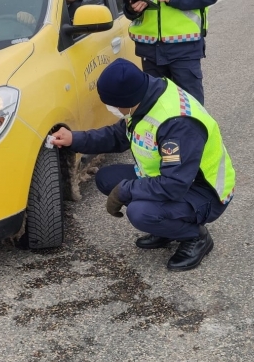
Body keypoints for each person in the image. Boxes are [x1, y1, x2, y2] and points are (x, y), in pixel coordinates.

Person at [50, 58, 235, 272]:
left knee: (140, 212)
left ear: (126, 101)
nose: (110, 109)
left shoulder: (178, 124)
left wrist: (126, 190)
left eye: (111, 104)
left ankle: (196, 237)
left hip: (205, 192)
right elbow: (118, 136)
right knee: (107, 179)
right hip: (174, 178)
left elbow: (174, 184)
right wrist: (74, 138)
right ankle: (168, 228)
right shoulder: (144, 96)